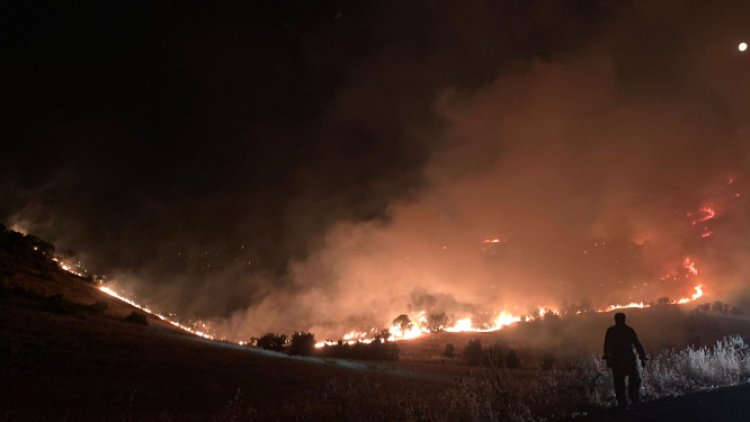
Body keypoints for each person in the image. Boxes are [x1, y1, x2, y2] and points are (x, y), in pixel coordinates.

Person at [603, 312, 647, 408]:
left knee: (624, 383)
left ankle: (628, 401)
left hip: (621, 360)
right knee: (625, 383)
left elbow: (607, 346)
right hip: (625, 360)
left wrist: (608, 358)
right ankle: (629, 401)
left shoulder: (613, 331)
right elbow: (637, 344)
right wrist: (642, 356)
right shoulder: (627, 330)